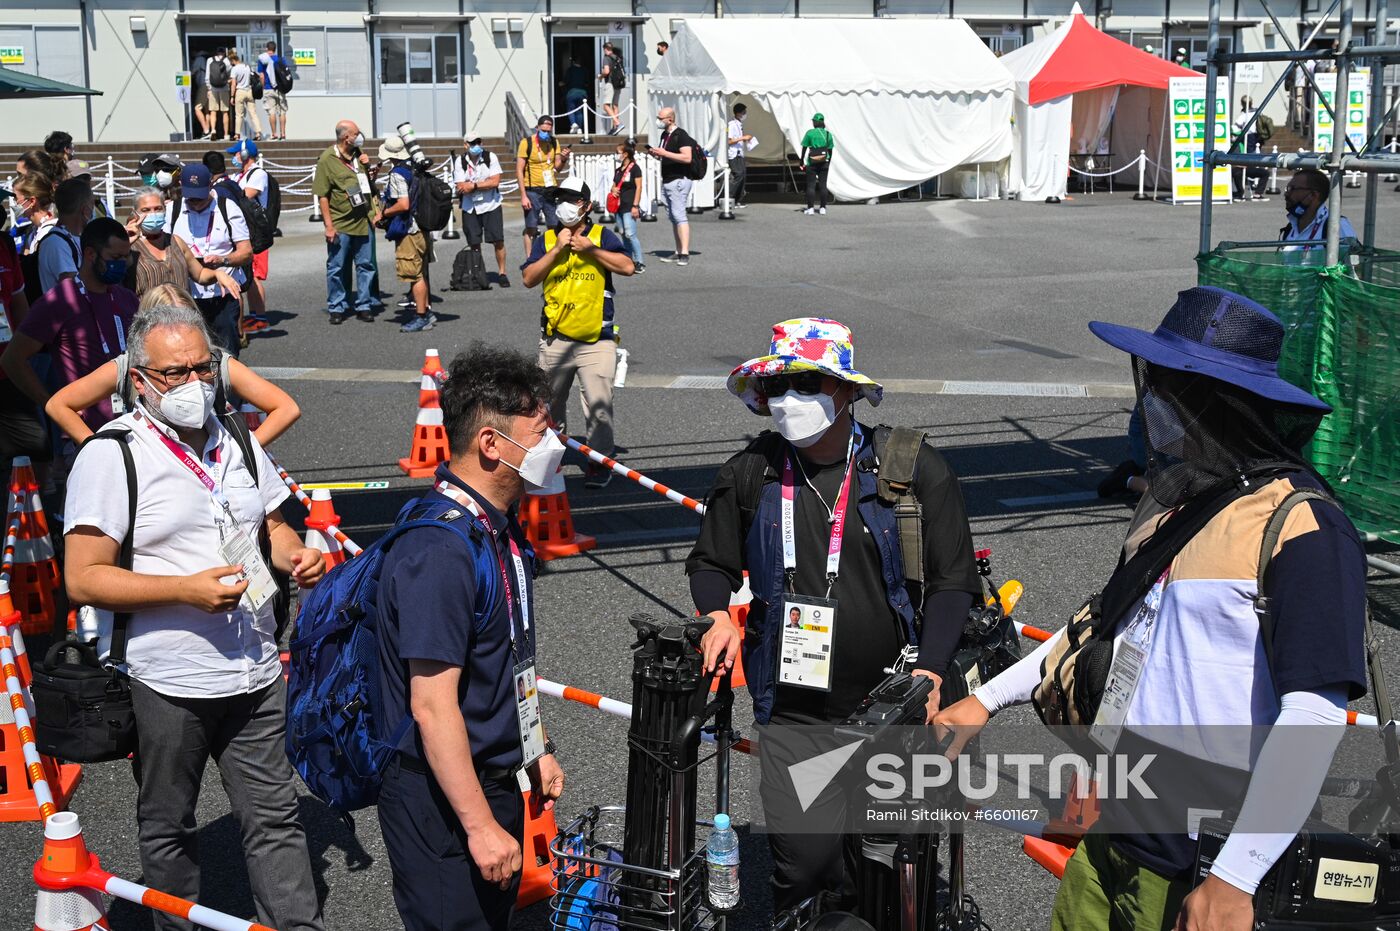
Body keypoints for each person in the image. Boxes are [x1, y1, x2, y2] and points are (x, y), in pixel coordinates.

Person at [936, 286, 1368, 931]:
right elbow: (1099, 628)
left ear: (1216, 401)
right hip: (1110, 829)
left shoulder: (1302, 527)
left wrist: (1234, 880)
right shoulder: (1173, 501)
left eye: (1168, 386)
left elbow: (1314, 712)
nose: (1151, 401)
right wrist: (984, 701)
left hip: (1199, 860)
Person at [689, 317, 980, 913]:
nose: (789, 399)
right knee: (806, 874)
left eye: (807, 383)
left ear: (846, 390)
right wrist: (716, 614)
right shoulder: (752, 471)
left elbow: (954, 581)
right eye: (778, 386)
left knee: (891, 871)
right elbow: (711, 561)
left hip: (894, 708)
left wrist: (929, 671)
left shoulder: (911, 467)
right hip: (796, 717)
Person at [62, 303, 327, 931]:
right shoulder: (111, 454)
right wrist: (184, 590)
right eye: (174, 373)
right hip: (168, 679)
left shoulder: (236, 437)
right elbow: (82, 577)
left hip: (255, 668)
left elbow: (272, 525)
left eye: (203, 369)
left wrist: (295, 555)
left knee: (275, 818)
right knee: (168, 826)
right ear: (139, 380)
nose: (193, 384)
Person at [375, 341, 565, 931]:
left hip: (490, 776)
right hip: (441, 798)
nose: (555, 446)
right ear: (491, 443)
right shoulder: (440, 551)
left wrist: (534, 746)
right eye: (541, 433)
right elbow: (432, 706)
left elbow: (506, 658)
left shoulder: (495, 527)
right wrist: (480, 826)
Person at [46, 285, 298, 447]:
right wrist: (98, 450)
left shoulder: (216, 361)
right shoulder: (126, 365)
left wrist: (242, 452)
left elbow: (286, 407)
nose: (179, 331)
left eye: (187, 320)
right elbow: (59, 405)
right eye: (167, 321)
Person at [521, 175, 635, 488]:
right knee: (548, 406)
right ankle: (551, 458)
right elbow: (528, 278)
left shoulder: (601, 235)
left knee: (599, 406)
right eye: (560, 199)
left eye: (571, 199)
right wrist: (557, 249)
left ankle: (600, 462)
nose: (564, 205)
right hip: (555, 338)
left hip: (596, 339)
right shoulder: (547, 239)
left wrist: (591, 249)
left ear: (585, 205)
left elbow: (627, 267)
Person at [2, 217, 136, 473]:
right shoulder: (60, 300)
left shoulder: (126, 298)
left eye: (125, 257)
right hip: (86, 435)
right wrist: (53, 404)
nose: (122, 264)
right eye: (115, 258)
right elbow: (12, 360)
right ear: (90, 254)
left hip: (132, 427)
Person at [167, 165, 250, 356]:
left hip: (222, 294)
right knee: (192, 354)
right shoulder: (172, 210)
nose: (195, 202)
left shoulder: (227, 208)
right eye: (191, 197)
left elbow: (246, 252)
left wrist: (223, 260)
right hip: (186, 296)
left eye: (200, 196)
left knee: (227, 353)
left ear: (211, 185)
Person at [0, 186, 47, 472]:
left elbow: (19, 303)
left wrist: (27, 349)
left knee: (35, 445)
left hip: (8, 368)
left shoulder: (5, 246)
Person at [125, 186, 241, 301]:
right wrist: (125, 243)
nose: (153, 214)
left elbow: (200, 274)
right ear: (135, 213)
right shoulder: (129, 246)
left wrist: (217, 274)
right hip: (147, 311)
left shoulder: (176, 241)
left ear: (165, 210)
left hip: (183, 311)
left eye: (158, 209)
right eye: (145, 210)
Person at [313, 120, 379, 323]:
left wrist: (369, 169)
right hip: (340, 223)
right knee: (337, 267)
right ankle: (337, 306)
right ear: (345, 137)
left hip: (363, 220)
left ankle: (364, 304)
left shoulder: (359, 155)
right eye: (356, 133)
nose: (360, 136)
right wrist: (329, 226)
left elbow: (366, 185)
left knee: (366, 265)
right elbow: (322, 195)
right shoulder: (327, 159)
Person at [377, 134, 437, 333]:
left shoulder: (397, 173)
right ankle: (426, 311)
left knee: (414, 274)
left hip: (409, 230)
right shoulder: (414, 168)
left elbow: (403, 204)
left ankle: (421, 316)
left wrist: (383, 213)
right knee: (420, 271)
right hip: (422, 226)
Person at [454, 132, 510, 287]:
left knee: (498, 240)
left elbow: (495, 182)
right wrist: (483, 183)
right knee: (474, 242)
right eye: (472, 143)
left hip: (491, 204)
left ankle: (502, 273)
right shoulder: (460, 161)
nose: (476, 146)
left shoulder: (490, 157)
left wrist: (473, 185)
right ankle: (479, 273)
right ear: (465, 145)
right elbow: (460, 186)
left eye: (478, 142)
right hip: (470, 207)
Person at [229, 141, 273, 332]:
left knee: (254, 276)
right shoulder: (239, 175)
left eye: (236, 153)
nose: (234, 157)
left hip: (256, 233)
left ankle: (261, 317)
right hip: (245, 230)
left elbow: (247, 194)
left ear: (246, 154)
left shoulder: (258, 174)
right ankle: (254, 315)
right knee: (248, 275)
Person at [646, 107, 696, 266]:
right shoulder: (665, 135)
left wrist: (665, 153)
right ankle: (678, 250)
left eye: (660, 118)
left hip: (679, 180)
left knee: (680, 216)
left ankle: (684, 253)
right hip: (668, 179)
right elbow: (665, 156)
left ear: (670, 119)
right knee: (674, 217)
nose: (658, 121)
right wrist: (656, 154)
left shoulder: (681, 135)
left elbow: (687, 157)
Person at [515, 116, 571, 256]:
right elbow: (519, 170)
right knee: (531, 227)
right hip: (532, 190)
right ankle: (530, 259)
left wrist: (564, 159)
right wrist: (523, 196)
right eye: (543, 130)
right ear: (537, 128)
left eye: (548, 131)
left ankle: (552, 256)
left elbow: (557, 168)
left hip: (550, 189)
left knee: (554, 225)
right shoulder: (526, 143)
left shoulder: (554, 142)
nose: (546, 133)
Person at [35, 178, 93, 296]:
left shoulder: (77, 237)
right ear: (85, 209)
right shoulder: (56, 243)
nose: (93, 209)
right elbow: (73, 291)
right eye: (93, 203)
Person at [1279, 167, 1355, 254]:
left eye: (1292, 189)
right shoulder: (1290, 227)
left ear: (1313, 195)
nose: (1286, 194)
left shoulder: (1336, 225)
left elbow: (1354, 260)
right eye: (1287, 188)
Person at [610, 141, 645, 274]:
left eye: (617, 152)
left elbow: (639, 187)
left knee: (631, 234)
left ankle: (639, 261)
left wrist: (635, 205)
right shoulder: (618, 170)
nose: (616, 155)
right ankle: (628, 259)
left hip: (629, 206)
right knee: (623, 233)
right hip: (618, 206)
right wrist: (613, 189)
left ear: (625, 154)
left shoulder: (635, 168)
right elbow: (614, 185)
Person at [1232, 96, 1269, 202]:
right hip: (1257, 137)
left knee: (1247, 159)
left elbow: (1235, 128)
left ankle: (1246, 185)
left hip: (1247, 137)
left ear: (1242, 103)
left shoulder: (1243, 115)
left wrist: (1237, 134)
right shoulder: (1257, 113)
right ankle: (1253, 183)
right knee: (1253, 157)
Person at [799, 113, 834, 215]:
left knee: (811, 185)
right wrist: (828, 161)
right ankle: (823, 208)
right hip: (824, 162)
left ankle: (810, 208)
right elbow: (830, 150)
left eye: (813, 121)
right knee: (823, 185)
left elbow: (804, 147)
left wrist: (801, 160)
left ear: (815, 122)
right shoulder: (828, 134)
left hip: (812, 162)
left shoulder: (810, 133)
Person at [228, 50, 263, 143]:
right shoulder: (247, 67)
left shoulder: (234, 69)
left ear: (232, 60)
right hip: (249, 91)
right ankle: (258, 133)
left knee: (239, 115)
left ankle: (237, 135)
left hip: (240, 92)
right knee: (253, 114)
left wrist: (232, 96)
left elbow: (234, 84)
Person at [257, 42, 288, 141]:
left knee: (271, 112)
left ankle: (274, 134)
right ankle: (283, 134)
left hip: (268, 88)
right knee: (282, 111)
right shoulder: (281, 59)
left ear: (267, 49)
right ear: (275, 49)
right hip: (280, 89)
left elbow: (261, 76)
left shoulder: (262, 60)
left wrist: (263, 87)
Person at [726, 103, 752, 209]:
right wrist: (743, 138)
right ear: (738, 113)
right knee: (738, 175)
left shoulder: (739, 124)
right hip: (734, 154)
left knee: (742, 175)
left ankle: (738, 200)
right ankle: (730, 199)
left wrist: (745, 139)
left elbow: (737, 139)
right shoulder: (731, 124)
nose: (745, 114)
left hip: (740, 153)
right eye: (743, 112)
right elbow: (730, 141)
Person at [206, 48, 232, 141]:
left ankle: (213, 130)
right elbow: (229, 75)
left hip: (213, 89)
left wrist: (209, 88)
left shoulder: (210, 60)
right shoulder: (227, 61)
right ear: (224, 53)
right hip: (224, 88)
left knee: (213, 111)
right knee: (225, 112)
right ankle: (226, 134)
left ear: (216, 52)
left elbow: (207, 76)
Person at [598, 42, 624, 135]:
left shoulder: (606, 58)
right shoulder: (617, 58)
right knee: (615, 105)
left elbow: (606, 71)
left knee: (606, 106)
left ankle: (618, 123)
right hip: (618, 84)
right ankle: (615, 128)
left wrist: (600, 77)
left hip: (610, 83)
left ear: (605, 49)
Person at [561, 58, 590, 133]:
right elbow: (587, 82)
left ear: (573, 62)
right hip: (582, 93)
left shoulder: (570, 70)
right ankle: (579, 128)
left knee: (571, 109)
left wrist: (561, 84)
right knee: (579, 111)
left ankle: (573, 124)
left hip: (572, 93)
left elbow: (566, 81)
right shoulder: (584, 70)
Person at [191, 51, 211, 140]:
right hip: (210, 87)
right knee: (207, 110)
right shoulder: (207, 60)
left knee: (197, 109)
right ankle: (208, 131)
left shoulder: (199, 59)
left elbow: (193, 72)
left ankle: (206, 131)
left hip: (202, 86)